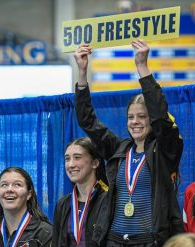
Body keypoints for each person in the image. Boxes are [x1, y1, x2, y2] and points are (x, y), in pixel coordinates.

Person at [73, 39, 183, 246]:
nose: (135, 122)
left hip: (150, 241)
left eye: (142, 117)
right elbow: (87, 120)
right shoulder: (119, 149)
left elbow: (161, 119)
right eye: (131, 117)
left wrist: (142, 67)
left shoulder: (165, 150)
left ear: (151, 120)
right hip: (113, 241)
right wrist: (82, 73)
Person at [52, 137, 108, 246]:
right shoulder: (63, 204)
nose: (71, 164)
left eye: (77, 158)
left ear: (95, 163)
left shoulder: (108, 201)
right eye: (67, 159)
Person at [0, 166, 52, 246]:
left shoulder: (45, 233)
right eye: (4, 185)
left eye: (17, 184)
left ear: (29, 194)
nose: (9, 189)